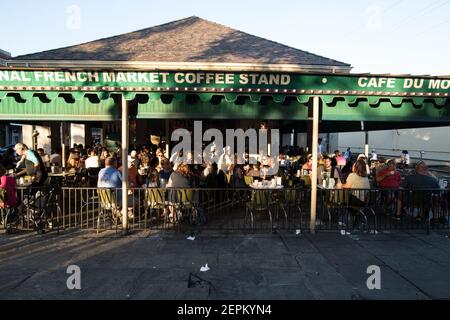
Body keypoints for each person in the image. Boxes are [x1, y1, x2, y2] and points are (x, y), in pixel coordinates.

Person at [344, 159, 371, 225]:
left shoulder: (352, 175)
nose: (352, 167)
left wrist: (340, 185)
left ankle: (341, 219)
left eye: (353, 165)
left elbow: (347, 186)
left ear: (356, 167)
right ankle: (356, 217)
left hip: (354, 201)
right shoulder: (366, 177)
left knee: (341, 198)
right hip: (364, 202)